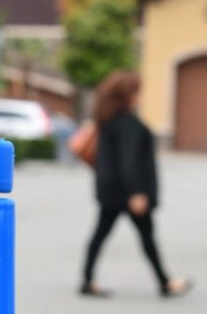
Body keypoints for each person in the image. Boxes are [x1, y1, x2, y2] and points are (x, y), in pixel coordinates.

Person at [80, 70, 192, 299]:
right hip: (127, 192)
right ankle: (165, 283)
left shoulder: (108, 121)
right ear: (127, 95)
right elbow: (129, 161)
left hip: (110, 190)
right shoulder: (127, 124)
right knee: (146, 237)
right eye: (137, 92)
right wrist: (137, 192)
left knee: (102, 234)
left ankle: (87, 280)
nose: (140, 96)